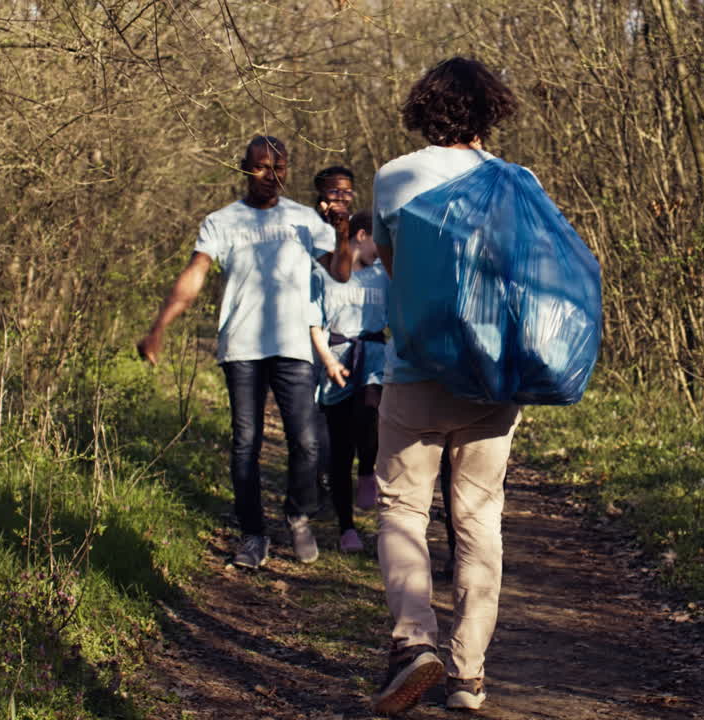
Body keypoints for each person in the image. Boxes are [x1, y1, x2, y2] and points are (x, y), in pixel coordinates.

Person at [368, 57, 520, 715]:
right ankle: (469, 675)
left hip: (416, 371)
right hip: (491, 377)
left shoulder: (393, 178)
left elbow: (394, 271)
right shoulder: (518, 184)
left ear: (423, 109)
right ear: (489, 111)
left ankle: (414, 642)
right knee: (479, 517)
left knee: (403, 508)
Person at [137, 135, 352, 570]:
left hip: (293, 345)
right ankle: (254, 534)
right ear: (243, 168)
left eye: (280, 167)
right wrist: (160, 326)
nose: (271, 175)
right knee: (245, 445)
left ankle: (297, 514)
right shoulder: (223, 221)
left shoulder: (305, 219)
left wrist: (343, 229)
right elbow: (195, 273)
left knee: (307, 444)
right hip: (242, 347)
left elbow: (342, 273)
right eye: (260, 167)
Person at [309, 210, 388, 553]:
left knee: (370, 418)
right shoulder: (323, 274)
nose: (380, 247)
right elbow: (313, 322)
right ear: (360, 236)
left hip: (374, 354)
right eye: (376, 239)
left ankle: (368, 470)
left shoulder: (385, 274)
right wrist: (326, 360)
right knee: (340, 448)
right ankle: (347, 528)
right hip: (338, 358)